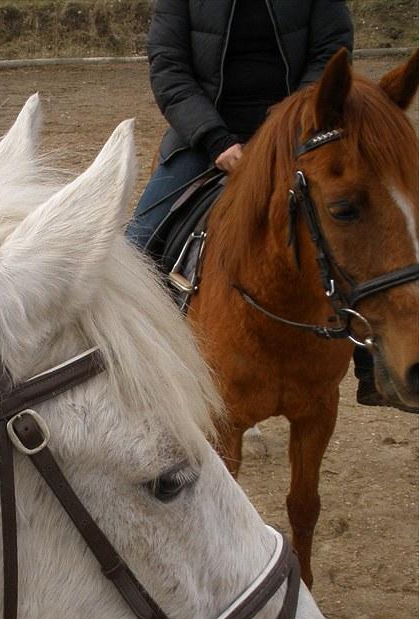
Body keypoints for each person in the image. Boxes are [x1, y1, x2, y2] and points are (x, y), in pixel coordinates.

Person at [127, 1, 394, 409]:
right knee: (136, 246)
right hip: (205, 141)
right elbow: (169, 69)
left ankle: (374, 362)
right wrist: (217, 141)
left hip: (299, 136)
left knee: (363, 223)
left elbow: (330, 54)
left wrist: (286, 131)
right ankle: (137, 368)